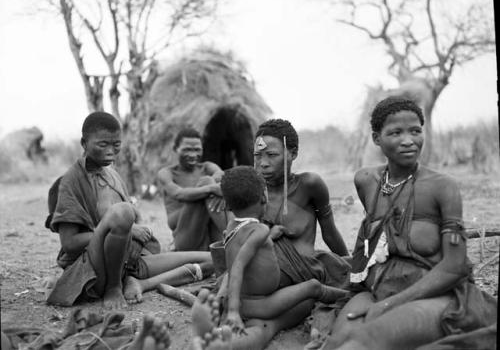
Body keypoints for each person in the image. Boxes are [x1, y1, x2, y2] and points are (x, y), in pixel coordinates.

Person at [319, 97, 497, 350]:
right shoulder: (367, 180)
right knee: (336, 344)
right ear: (376, 138)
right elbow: (372, 239)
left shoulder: (442, 187)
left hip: (435, 296)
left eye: (415, 131)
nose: (408, 140)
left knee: (361, 343)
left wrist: (389, 305)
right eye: (395, 132)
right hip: (377, 290)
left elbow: (455, 267)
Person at [47, 112, 213, 309]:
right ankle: (113, 288)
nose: (111, 151)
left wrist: (137, 232)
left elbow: (134, 221)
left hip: (130, 263)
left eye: (116, 145)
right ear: (84, 143)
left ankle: (141, 283)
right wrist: (128, 228)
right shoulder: (70, 181)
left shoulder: (113, 176)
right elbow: (69, 243)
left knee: (212, 260)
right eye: (103, 145)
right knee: (122, 212)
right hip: (94, 269)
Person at [190, 166, 348, 350]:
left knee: (259, 328)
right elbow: (239, 264)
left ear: (229, 205)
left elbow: (244, 249)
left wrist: (230, 304)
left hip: (243, 300)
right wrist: (232, 312)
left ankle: (221, 342)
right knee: (313, 287)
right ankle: (349, 296)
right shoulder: (259, 230)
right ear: (264, 198)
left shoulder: (231, 227)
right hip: (262, 303)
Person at [253, 119, 350, 288]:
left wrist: (348, 267)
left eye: (272, 155)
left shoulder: (309, 185)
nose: (263, 163)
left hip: (305, 273)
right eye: (257, 155)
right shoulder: (252, 191)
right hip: (264, 275)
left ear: (293, 153)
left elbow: (330, 233)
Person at [157, 128, 227, 251]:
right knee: (208, 183)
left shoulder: (207, 167)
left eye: (197, 150)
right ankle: (232, 235)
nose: (193, 154)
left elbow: (220, 175)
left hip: (210, 231)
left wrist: (214, 187)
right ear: (175, 149)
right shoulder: (167, 173)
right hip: (184, 235)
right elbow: (178, 194)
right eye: (187, 149)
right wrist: (210, 188)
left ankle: (223, 241)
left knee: (210, 182)